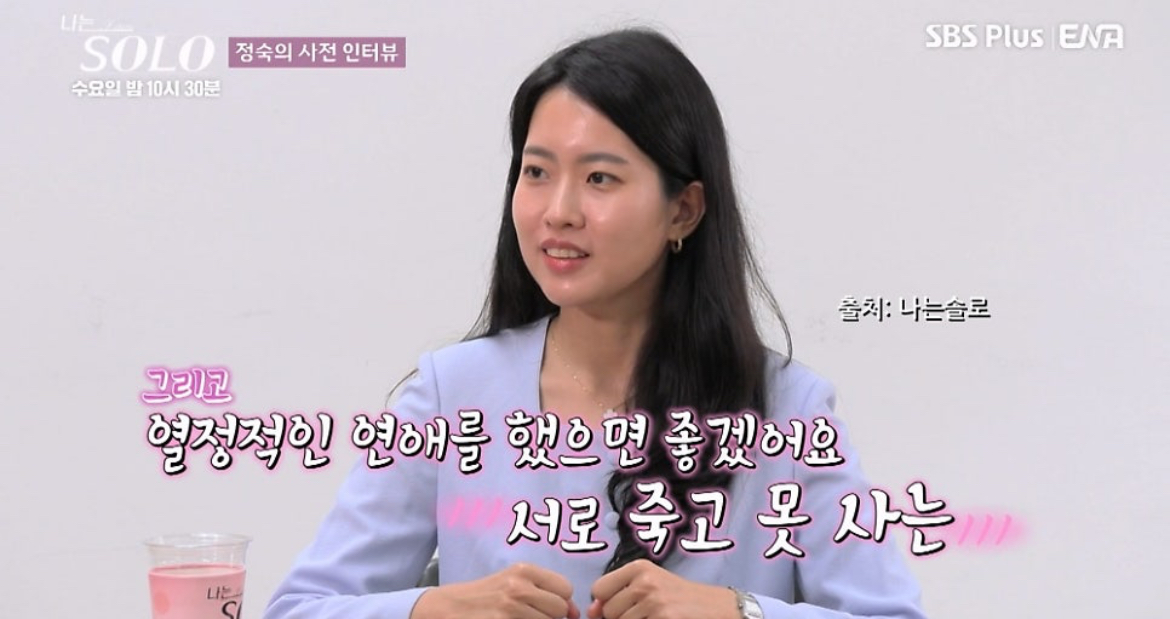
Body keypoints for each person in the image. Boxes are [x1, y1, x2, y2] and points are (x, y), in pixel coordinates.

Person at [263, 28, 928, 619]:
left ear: (684, 210)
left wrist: (739, 612)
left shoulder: (788, 408)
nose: (558, 211)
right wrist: (434, 607)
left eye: (600, 179)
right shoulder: (451, 394)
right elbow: (299, 608)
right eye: (536, 172)